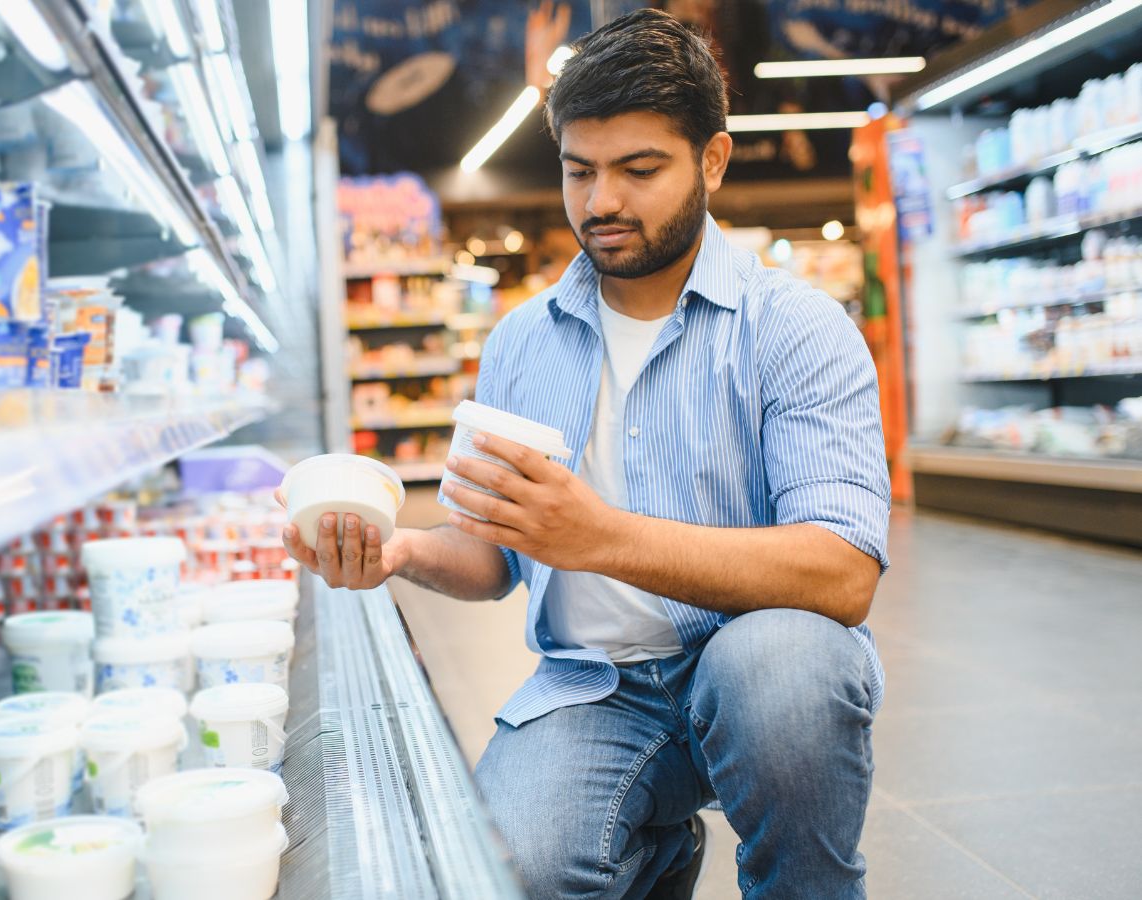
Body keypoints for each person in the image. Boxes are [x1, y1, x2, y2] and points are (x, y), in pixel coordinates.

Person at [282, 9, 889, 899]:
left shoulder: (796, 331)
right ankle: (656, 851)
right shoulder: (522, 343)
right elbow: (491, 558)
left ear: (711, 161)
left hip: (752, 665)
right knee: (509, 870)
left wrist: (598, 536)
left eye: (640, 169)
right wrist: (400, 550)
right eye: (579, 170)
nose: (602, 201)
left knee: (785, 671)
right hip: (594, 688)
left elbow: (841, 574)